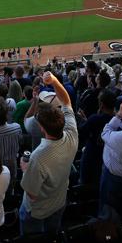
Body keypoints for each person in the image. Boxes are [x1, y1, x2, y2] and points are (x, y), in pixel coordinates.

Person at [19, 72, 78, 234]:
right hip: (59, 202)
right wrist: (54, 81)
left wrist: (25, 168)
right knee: (53, 237)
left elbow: (31, 194)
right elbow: (66, 101)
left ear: (42, 128)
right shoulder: (72, 133)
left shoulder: (38, 157)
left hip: (37, 211)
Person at [78, 91, 117, 185]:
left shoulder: (95, 119)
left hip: (92, 157)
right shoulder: (119, 121)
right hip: (110, 160)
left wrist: (83, 122)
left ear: (101, 104)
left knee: (86, 183)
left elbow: (81, 134)